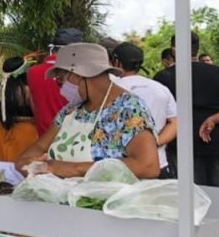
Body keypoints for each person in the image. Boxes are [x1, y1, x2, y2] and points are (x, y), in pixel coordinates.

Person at [15, 43, 159, 179]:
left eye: (61, 79)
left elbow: (148, 166)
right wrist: (28, 164)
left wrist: (71, 168)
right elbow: (37, 148)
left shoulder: (129, 108)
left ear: (80, 74)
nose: (61, 87)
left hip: (108, 196)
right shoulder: (71, 110)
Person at [154, 32, 219, 185]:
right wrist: (213, 119)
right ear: (197, 48)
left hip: (180, 145)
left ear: (174, 49)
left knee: (190, 194)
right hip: (215, 141)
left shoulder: (163, 77)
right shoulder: (216, 73)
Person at [109, 42, 178, 178]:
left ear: (116, 62)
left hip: (121, 167)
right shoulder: (160, 88)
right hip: (157, 164)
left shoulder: (109, 89)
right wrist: (154, 143)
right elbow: (175, 123)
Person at [28, 28, 84, 135]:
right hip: (70, 138)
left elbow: (34, 107)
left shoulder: (32, 72)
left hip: (43, 138)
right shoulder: (78, 73)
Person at [0, 57, 38, 162]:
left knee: (2, 168)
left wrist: (3, 121)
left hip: (1, 131)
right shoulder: (26, 90)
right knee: (22, 168)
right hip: (26, 134)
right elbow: (38, 115)